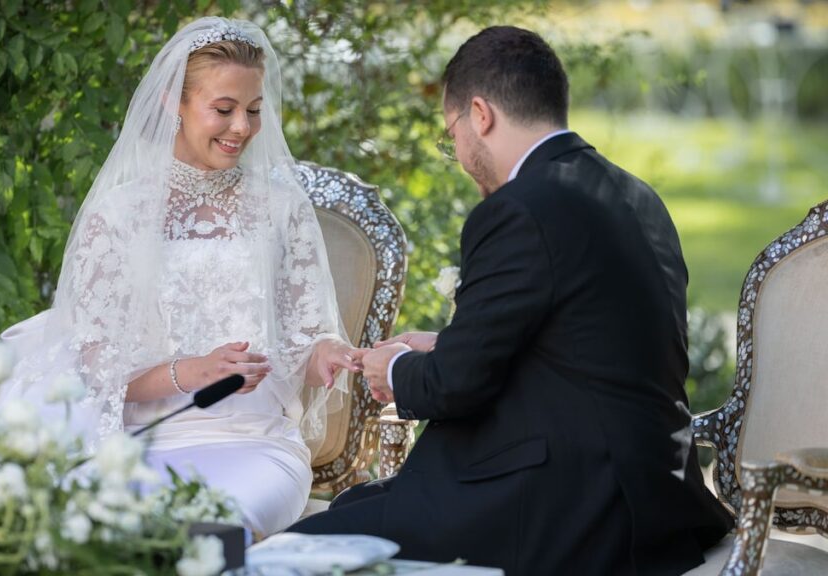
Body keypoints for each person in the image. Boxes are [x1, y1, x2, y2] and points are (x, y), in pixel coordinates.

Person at [291, 25, 733, 575]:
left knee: (294, 551)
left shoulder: (519, 208)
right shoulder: (635, 194)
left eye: (450, 135)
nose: (457, 152)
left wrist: (398, 370)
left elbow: (456, 386)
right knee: (357, 508)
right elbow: (587, 350)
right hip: (655, 492)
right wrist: (447, 344)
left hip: (567, 503)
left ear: (480, 114)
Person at [0, 17, 362, 537]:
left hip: (255, 442)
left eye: (254, 111)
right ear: (174, 100)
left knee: (210, 529)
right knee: (108, 531)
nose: (242, 127)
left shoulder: (281, 208)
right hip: (142, 443)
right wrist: (189, 372)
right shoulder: (120, 214)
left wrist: (326, 354)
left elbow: (306, 341)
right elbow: (96, 374)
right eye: (224, 109)